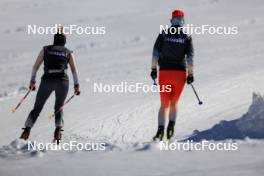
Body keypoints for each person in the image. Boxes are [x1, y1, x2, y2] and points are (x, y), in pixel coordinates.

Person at [20, 29, 81, 143]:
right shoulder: (68, 52)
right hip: (62, 82)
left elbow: (35, 67)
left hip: (47, 81)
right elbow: (74, 71)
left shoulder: (46, 49)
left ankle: (26, 130)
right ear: (64, 40)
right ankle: (58, 131)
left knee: (37, 108)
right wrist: (77, 85)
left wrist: (32, 81)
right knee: (58, 108)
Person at [151, 10, 194, 141]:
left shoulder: (163, 34)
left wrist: (153, 69)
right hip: (180, 74)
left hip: (164, 72)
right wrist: (190, 74)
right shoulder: (187, 37)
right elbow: (190, 58)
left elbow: (155, 53)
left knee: (164, 104)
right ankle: (170, 130)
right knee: (174, 103)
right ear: (183, 20)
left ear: (172, 20)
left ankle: (160, 132)